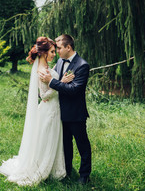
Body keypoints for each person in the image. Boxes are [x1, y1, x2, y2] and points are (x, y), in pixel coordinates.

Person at [0, 37, 74, 186]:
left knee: (52, 139)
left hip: (54, 109)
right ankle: (42, 169)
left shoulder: (46, 68)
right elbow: (44, 95)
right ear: (44, 53)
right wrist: (61, 83)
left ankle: (54, 168)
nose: (54, 54)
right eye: (52, 51)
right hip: (49, 109)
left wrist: (59, 81)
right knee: (47, 140)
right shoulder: (41, 71)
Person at [39, 34, 92, 185]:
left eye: (60, 48)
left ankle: (84, 175)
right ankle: (66, 171)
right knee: (65, 145)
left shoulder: (82, 65)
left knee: (82, 145)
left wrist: (52, 81)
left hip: (76, 113)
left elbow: (74, 90)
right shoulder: (61, 61)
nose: (57, 51)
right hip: (60, 112)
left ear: (68, 47)